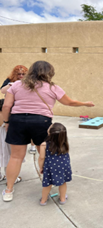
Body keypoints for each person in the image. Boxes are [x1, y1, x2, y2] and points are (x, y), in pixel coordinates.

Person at [2, 60, 94, 202]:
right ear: (49, 73)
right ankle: (51, 184)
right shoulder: (53, 88)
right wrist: (85, 103)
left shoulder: (16, 85)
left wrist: (7, 122)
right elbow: (69, 102)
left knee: (15, 157)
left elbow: (7, 106)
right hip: (41, 122)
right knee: (46, 155)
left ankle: (8, 190)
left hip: (18, 121)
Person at [0, 65, 36, 154]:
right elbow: (2, 90)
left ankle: (32, 146)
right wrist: (11, 85)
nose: (21, 76)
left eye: (23, 74)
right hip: (12, 107)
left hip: (25, 107)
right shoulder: (10, 80)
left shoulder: (30, 81)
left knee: (31, 127)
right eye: (19, 74)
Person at [39, 123, 71, 206]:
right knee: (63, 182)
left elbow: (42, 158)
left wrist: (41, 167)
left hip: (50, 167)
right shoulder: (64, 143)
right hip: (63, 166)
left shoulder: (44, 144)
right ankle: (62, 199)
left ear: (50, 133)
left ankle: (43, 200)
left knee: (47, 184)